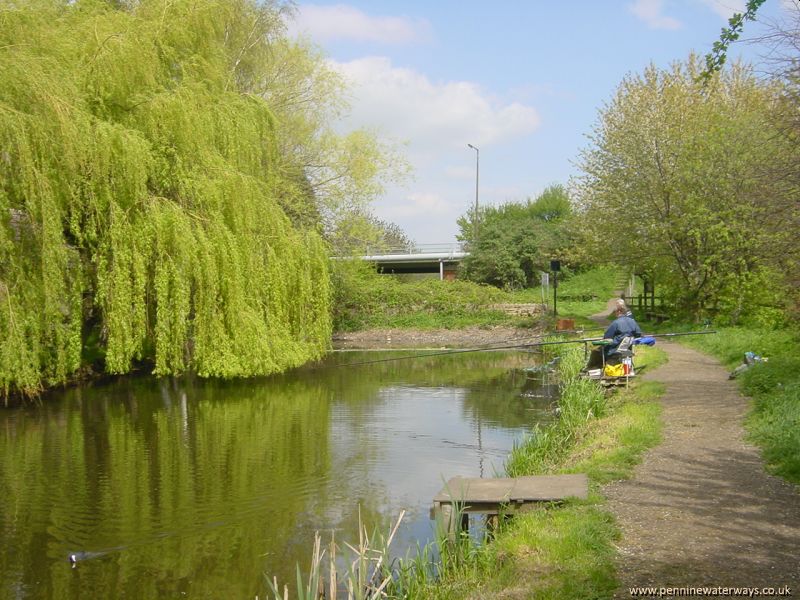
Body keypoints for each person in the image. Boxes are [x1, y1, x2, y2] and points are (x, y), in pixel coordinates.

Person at [586, 304, 643, 369]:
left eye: (615, 312)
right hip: (627, 347)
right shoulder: (632, 322)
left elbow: (607, 337)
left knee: (596, 351)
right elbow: (638, 333)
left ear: (619, 311)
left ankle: (592, 369)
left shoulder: (616, 323)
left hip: (614, 348)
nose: (614, 314)